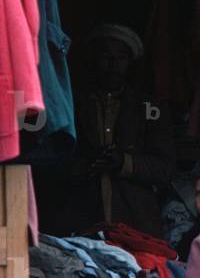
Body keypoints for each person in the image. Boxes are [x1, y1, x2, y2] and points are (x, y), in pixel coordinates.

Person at [38, 23, 174, 238]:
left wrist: (123, 162)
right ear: (93, 60)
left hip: (136, 224)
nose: (113, 65)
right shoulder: (69, 103)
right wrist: (84, 166)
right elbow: (47, 163)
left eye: (121, 58)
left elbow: (164, 168)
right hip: (78, 222)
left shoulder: (150, 108)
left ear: (130, 63)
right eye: (105, 57)